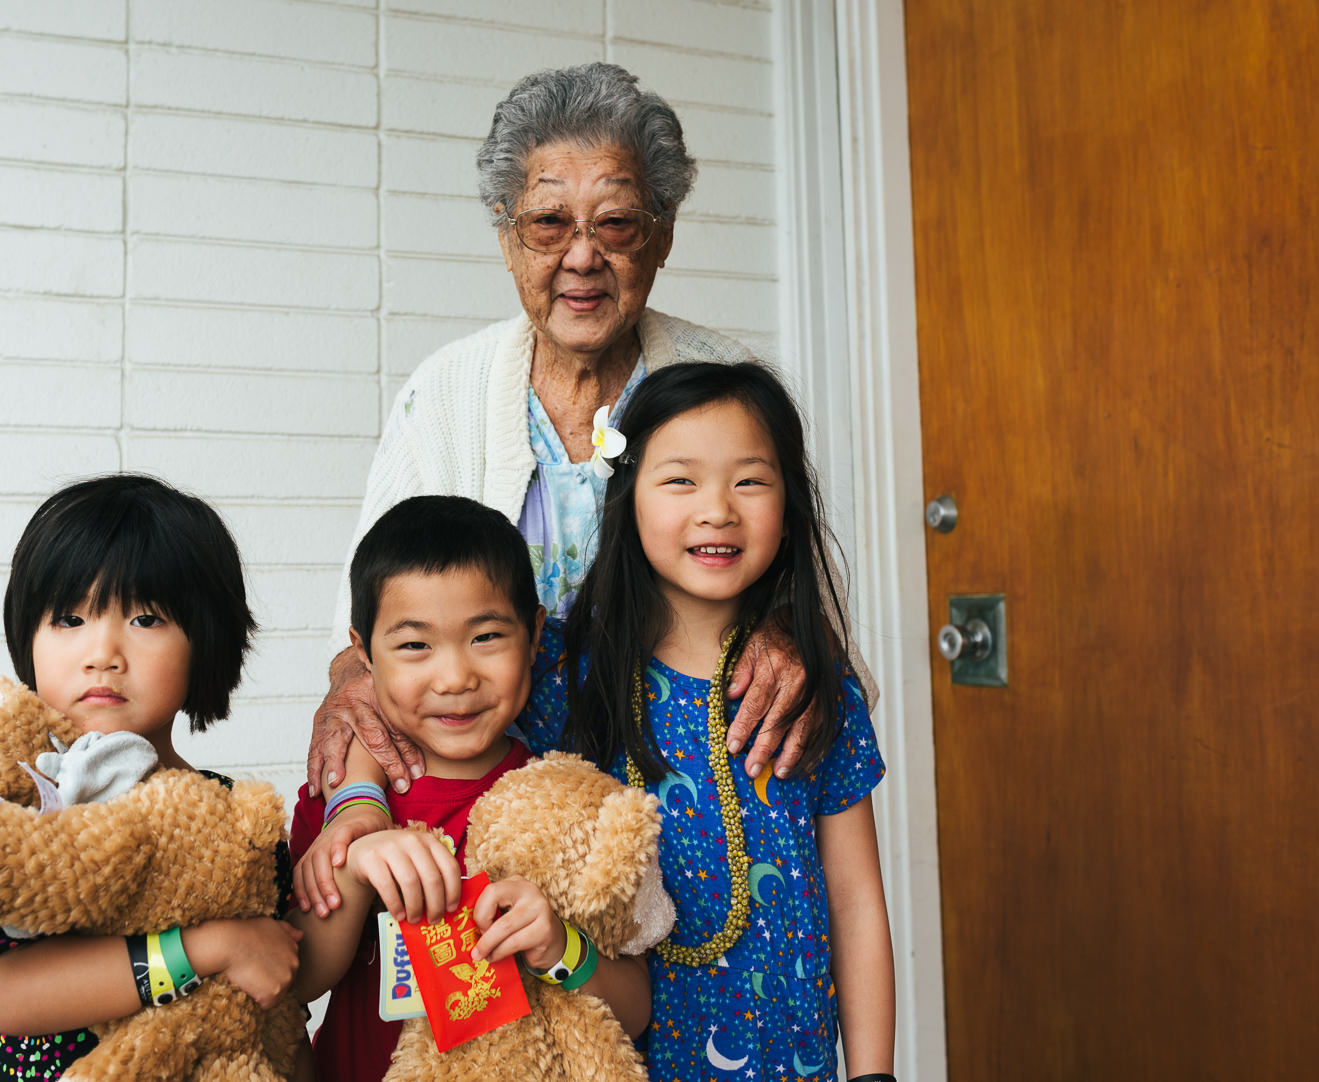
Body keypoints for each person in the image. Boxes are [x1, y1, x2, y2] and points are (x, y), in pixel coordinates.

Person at [307, 62, 875, 805]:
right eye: (548, 224)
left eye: (616, 223)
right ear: (509, 240)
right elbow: (368, 616)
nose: (582, 256)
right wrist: (353, 683)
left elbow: (810, 596)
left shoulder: (722, 383)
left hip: (693, 794)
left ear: (663, 236)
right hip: (493, 804)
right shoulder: (445, 393)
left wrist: (787, 630)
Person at [306, 363, 894, 1082]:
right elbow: (411, 701)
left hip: (791, 1057)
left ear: (790, 503)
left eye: (750, 481)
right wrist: (358, 808)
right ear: (627, 495)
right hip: (614, 1049)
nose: (717, 510)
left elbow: (857, 896)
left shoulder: (809, 684)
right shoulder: (564, 668)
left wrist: (874, 1073)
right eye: (681, 480)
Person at [287, 495, 652, 1082]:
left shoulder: (569, 807)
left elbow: (634, 1012)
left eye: (486, 637)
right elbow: (294, 977)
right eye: (414, 646)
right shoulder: (340, 802)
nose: (455, 677)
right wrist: (355, 864)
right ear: (362, 655)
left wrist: (561, 947)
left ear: (534, 634)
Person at [0, 475, 306, 1082]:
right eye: (69, 618)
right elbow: (8, 997)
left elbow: (278, 983)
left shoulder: (237, 818)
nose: (103, 652)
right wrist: (208, 948)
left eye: (145, 618)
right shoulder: (16, 803)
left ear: (206, 641)